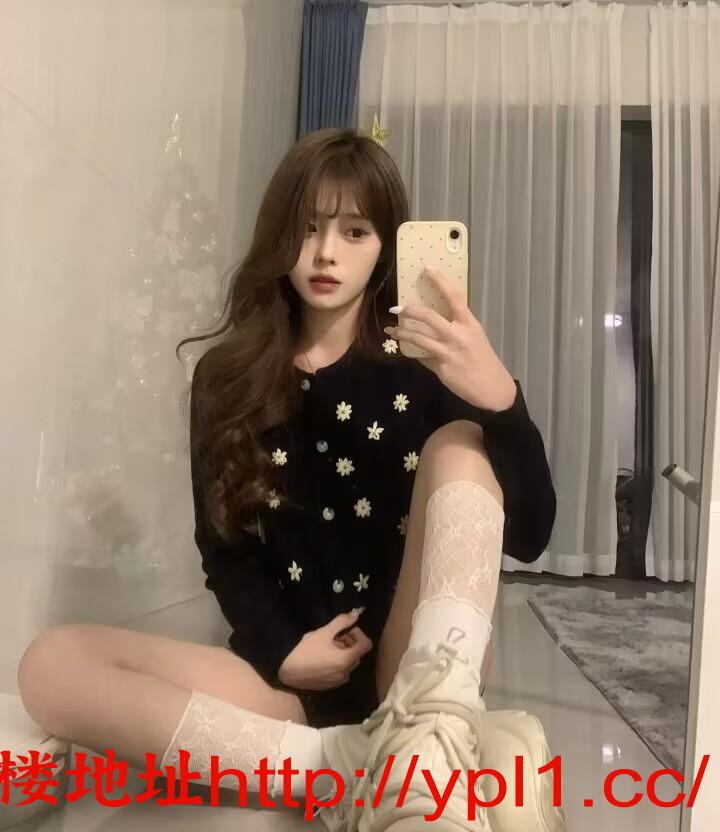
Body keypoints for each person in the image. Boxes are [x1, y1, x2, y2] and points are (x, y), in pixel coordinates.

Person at [17, 128, 561, 831]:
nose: (326, 252)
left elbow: (530, 536)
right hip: (286, 675)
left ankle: (424, 732)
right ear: (279, 235)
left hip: (410, 666)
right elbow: (223, 549)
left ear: (386, 246)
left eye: (355, 231)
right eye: (307, 227)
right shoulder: (228, 379)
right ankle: (355, 765)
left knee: (460, 444)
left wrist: (501, 401)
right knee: (52, 666)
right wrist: (283, 649)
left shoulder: (424, 369)